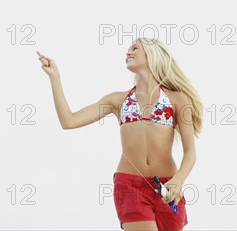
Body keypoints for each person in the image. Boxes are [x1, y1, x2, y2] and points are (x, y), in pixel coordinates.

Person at [37, 38, 202, 231]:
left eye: (135, 48)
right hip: (130, 186)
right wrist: (55, 78)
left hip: (168, 186)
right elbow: (69, 121)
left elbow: (190, 152)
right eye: (128, 49)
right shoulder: (118, 100)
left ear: (152, 53)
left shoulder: (178, 99)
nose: (128, 52)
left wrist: (178, 181)